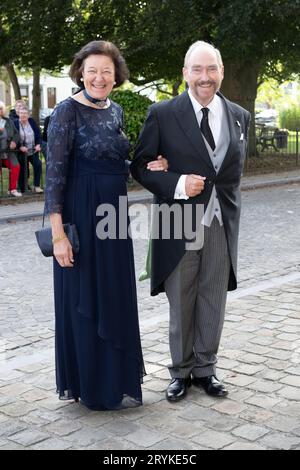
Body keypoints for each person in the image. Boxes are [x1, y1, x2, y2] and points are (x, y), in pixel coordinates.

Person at [44, 40, 168, 411]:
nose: (99, 77)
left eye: (107, 72)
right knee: (85, 298)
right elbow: (54, 179)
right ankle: (91, 385)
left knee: (112, 295)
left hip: (113, 219)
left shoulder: (114, 112)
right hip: (80, 216)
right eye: (92, 70)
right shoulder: (67, 112)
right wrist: (59, 236)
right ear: (81, 72)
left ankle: (115, 381)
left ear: (117, 78)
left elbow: (121, 164)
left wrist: (152, 168)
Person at [130, 41, 251, 402]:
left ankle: (205, 369)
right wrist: (178, 182)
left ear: (221, 72)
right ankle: (180, 371)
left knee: (213, 296)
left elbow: (232, 174)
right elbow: (140, 166)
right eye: (197, 70)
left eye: (211, 69)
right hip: (178, 221)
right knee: (181, 298)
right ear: (185, 73)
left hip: (220, 223)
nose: (205, 77)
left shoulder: (239, 116)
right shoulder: (162, 114)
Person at [14, 107, 43, 193]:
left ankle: (36, 185)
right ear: (18, 114)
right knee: (23, 168)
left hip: (32, 150)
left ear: (28, 115)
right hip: (21, 151)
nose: (23, 115)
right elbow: (13, 136)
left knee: (38, 164)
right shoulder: (15, 123)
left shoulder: (32, 122)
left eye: (25, 113)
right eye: (21, 113)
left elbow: (38, 134)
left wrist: (38, 144)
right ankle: (23, 188)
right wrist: (20, 146)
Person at [0, 101, 21, 197]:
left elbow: (16, 134)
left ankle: (12, 189)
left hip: (8, 151)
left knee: (15, 166)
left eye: (0, 108)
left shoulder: (8, 121)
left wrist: (14, 142)